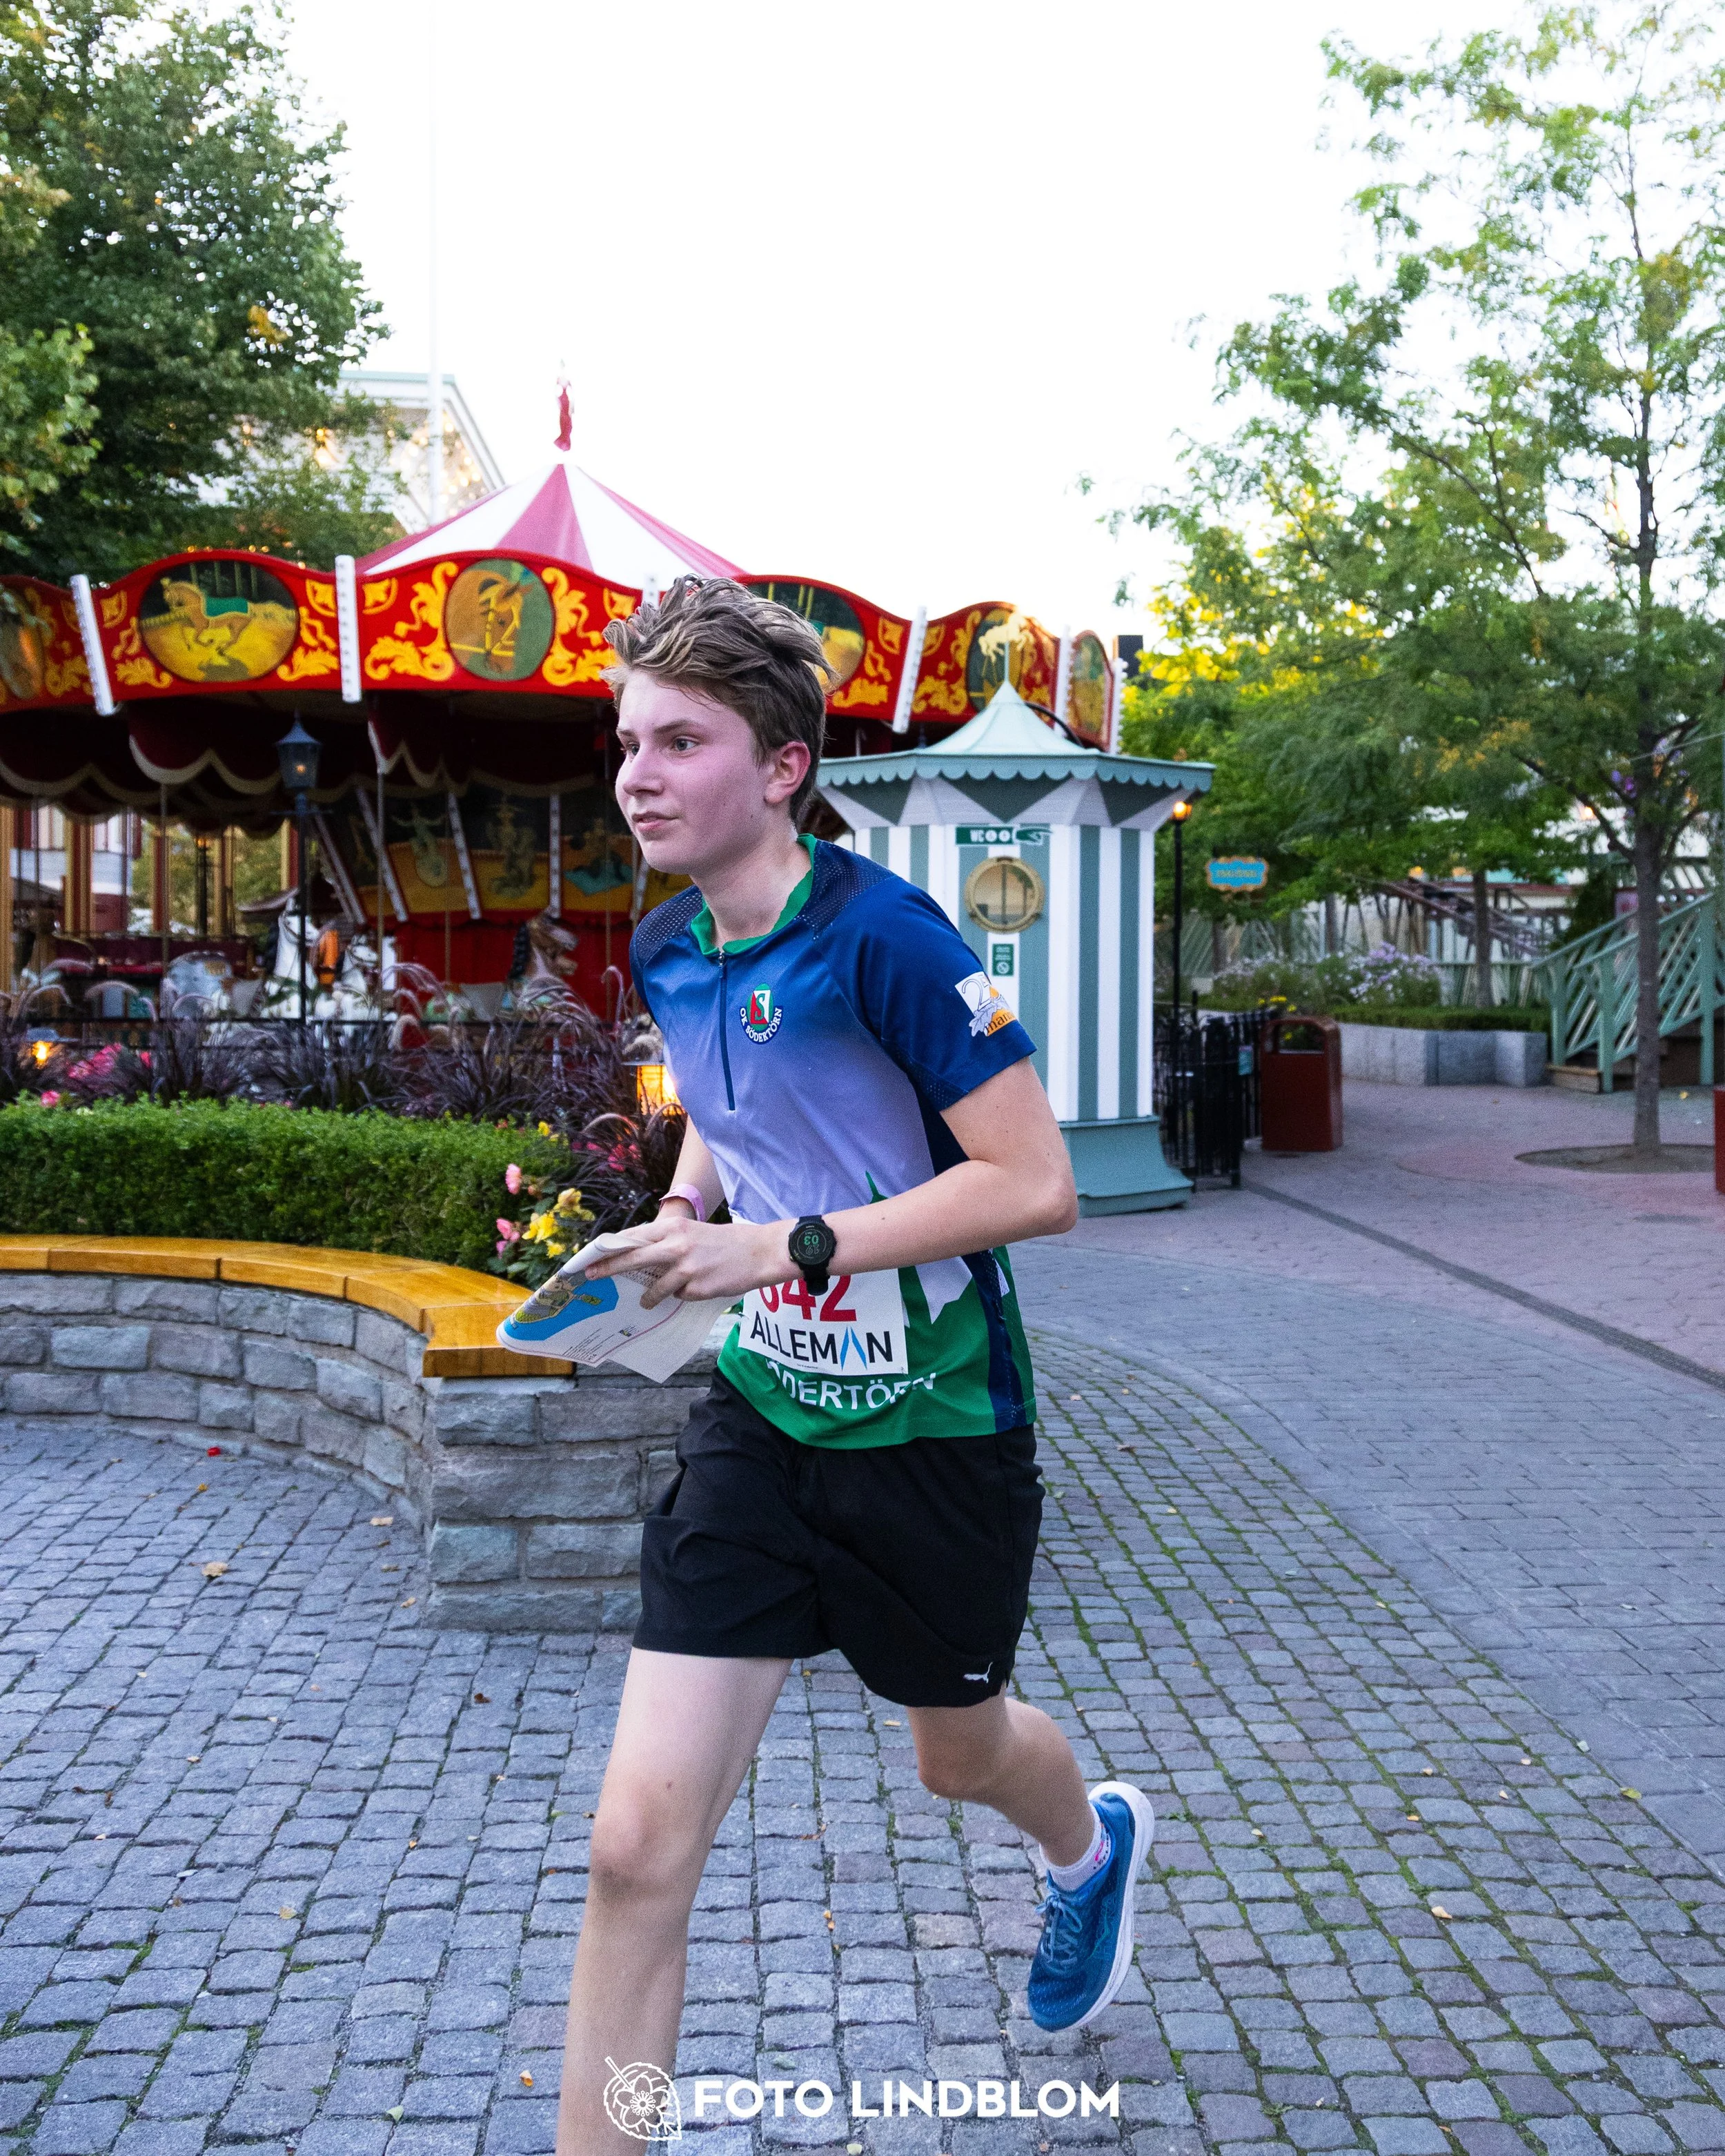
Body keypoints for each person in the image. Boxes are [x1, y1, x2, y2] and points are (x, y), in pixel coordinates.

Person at [557, 578, 1154, 2153]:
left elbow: (1035, 1185)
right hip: (760, 1415)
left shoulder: (888, 937)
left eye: (679, 740)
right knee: (633, 1849)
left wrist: (781, 1244)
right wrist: (679, 1209)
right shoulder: (672, 937)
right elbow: (717, 1101)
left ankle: (1085, 1848)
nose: (637, 774)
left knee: (954, 1752)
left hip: (939, 1420)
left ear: (780, 766)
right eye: (627, 740)